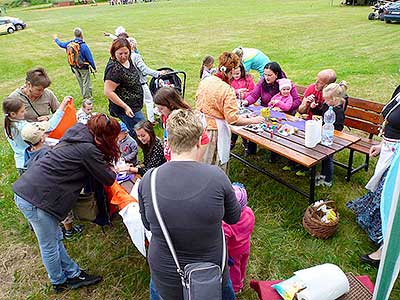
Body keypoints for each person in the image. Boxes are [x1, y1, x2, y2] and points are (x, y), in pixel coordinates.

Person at [138, 109, 241, 300]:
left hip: (166, 275)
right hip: (210, 272)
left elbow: (147, 224)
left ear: (168, 141)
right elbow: (234, 217)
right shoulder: (217, 177)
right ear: (199, 140)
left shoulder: (148, 180)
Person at [12, 114, 119, 293]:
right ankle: (59, 281)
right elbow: (108, 178)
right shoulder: (87, 149)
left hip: (30, 191)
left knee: (55, 238)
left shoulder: (77, 134)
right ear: (102, 135)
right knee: (49, 244)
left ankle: (72, 273)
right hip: (35, 199)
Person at [346, 84, 400, 267]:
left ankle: (386, 248)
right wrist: (382, 144)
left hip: (397, 155)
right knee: (381, 191)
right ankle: (379, 232)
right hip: (390, 149)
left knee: (390, 195)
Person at [195, 52, 264, 172]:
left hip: (200, 126)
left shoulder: (206, 80)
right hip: (214, 132)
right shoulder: (226, 89)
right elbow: (233, 119)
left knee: (201, 162)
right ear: (231, 71)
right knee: (215, 165)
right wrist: (254, 120)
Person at [21, 122, 84, 240]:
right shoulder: (47, 154)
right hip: (54, 189)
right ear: (41, 138)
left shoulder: (28, 150)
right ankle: (69, 231)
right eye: (44, 133)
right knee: (64, 209)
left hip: (39, 190)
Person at [3, 96, 69, 175]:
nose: (25, 113)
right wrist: (62, 106)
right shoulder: (24, 128)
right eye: (22, 111)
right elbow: (49, 126)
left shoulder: (8, 124)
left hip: (20, 163)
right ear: (13, 114)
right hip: (32, 163)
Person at [153, 86, 209, 161]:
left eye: (161, 108)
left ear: (171, 105)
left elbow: (204, 139)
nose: (159, 111)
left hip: (184, 157)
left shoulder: (185, 119)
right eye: (157, 108)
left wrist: (196, 160)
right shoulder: (165, 116)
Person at [104, 38, 144, 138]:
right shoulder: (114, 69)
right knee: (141, 130)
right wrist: (125, 107)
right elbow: (108, 92)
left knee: (139, 129)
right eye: (120, 54)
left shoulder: (128, 59)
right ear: (114, 53)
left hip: (135, 104)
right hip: (126, 108)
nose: (123, 56)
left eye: (126, 53)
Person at [312, 81, 348, 187]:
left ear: (335, 99)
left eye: (327, 99)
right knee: (324, 156)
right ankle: (323, 175)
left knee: (328, 158)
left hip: (332, 137)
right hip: (324, 134)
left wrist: (330, 130)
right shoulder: (326, 105)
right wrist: (314, 108)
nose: (325, 101)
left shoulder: (338, 111)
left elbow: (339, 127)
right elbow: (320, 114)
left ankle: (328, 180)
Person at [222, 182, 255, 294]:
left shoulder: (227, 223)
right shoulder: (249, 212)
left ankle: (236, 287)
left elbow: (224, 240)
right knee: (243, 263)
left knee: (234, 270)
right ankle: (242, 277)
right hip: (245, 246)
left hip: (233, 252)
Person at [128, 37, 166, 123]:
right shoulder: (136, 56)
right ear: (133, 46)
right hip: (140, 83)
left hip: (131, 84)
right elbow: (145, 70)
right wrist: (158, 73)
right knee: (149, 101)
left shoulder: (127, 57)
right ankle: (150, 121)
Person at [54, 28, 96, 100]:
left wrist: (56, 39)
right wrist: (94, 67)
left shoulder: (70, 43)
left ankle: (84, 95)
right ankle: (87, 98)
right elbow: (89, 58)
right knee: (86, 82)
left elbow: (61, 44)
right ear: (81, 34)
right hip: (83, 67)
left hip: (74, 67)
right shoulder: (83, 46)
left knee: (80, 81)